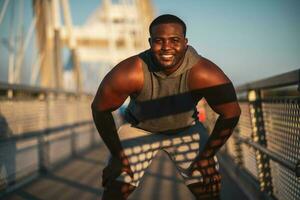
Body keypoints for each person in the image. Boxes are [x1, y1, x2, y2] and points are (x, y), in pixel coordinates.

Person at [91, 14, 241, 200]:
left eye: (174, 40)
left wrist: (208, 155)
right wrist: (117, 155)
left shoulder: (203, 72)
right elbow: (99, 109)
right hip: (140, 128)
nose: (166, 47)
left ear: (185, 43)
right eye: (159, 41)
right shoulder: (131, 72)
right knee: (115, 188)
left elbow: (232, 112)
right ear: (150, 42)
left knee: (208, 187)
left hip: (185, 129)